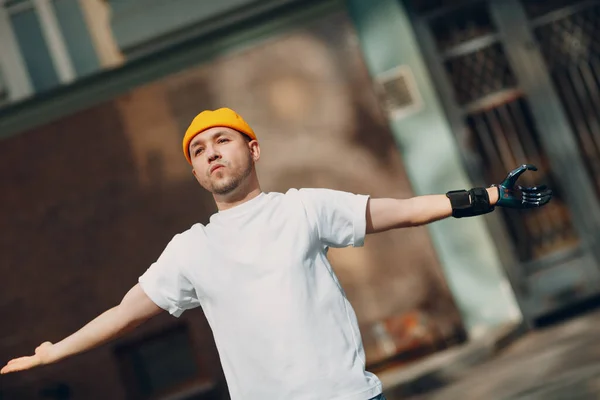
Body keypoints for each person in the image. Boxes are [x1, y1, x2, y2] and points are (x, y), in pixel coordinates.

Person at [0, 108, 551, 399]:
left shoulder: (303, 209)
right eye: (198, 149)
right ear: (194, 171)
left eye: (223, 140)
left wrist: (489, 195)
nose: (211, 153)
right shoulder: (190, 250)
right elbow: (124, 313)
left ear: (252, 148)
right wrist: (54, 354)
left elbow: (400, 210)